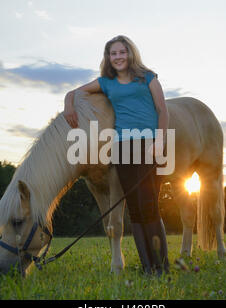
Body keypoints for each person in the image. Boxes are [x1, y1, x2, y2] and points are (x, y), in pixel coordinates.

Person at [63, 35, 169, 276]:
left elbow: (162, 110)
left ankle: (161, 267)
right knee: (135, 209)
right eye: (113, 53)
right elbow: (74, 92)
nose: (118, 57)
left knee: (150, 205)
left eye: (122, 52)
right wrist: (68, 104)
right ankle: (147, 268)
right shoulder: (106, 82)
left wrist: (160, 142)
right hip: (122, 146)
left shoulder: (148, 77)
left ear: (130, 53)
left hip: (149, 144)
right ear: (108, 58)